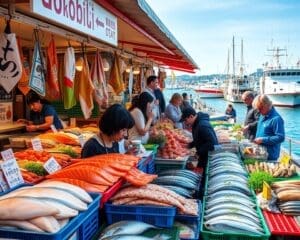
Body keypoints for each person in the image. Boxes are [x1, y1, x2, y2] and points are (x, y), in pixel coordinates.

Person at [252, 94, 285, 161]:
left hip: (270, 156)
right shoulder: (263, 115)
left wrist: (263, 140)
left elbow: (281, 137)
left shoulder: (276, 119)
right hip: (260, 153)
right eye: (258, 110)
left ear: (266, 105)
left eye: (260, 109)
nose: (259, 112)